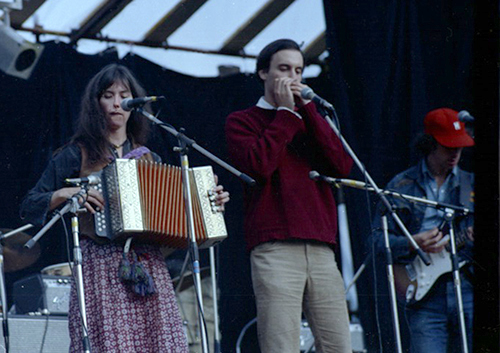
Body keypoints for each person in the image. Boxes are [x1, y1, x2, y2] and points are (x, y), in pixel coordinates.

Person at [19, 64, 229, 352]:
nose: (117, 103)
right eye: (108, 95)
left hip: (149, 266)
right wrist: (64, 192)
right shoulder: (75, 153)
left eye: (124, 95)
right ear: (95, 104)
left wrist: (209, 202)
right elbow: (30, 204)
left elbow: (176, 215)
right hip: (101, 264)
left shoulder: (151, 159)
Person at [225, 39, 354, 353]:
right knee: (280, 344)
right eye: (284, 69)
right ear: (262, 73)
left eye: (299, 71)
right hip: (276, 249)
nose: (293, 78)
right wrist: (285, 113)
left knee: (338, 345)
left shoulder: (310, 120)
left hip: (321, 250)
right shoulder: (242, 121)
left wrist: (307, 111)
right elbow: (258, 167)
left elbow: (342, 165)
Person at [372, 107, 474, 353]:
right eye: (448, 147)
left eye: (459, 147)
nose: (455, 153)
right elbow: (375, 240)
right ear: (429, 144)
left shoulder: (470, 184)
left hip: (469, 286)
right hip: (424, 293)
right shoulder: (402, 185)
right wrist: (411, 242)